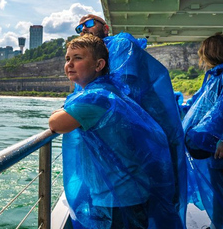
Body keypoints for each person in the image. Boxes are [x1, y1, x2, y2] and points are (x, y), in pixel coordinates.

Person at [49, 34, 182, 228]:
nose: (69, 64)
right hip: (128, 190)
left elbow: (56, 124)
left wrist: (61, 111)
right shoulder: (109, 91)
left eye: (78, 58)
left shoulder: (95, 98)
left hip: (118, 197)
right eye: (68, 58)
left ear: (99, 64)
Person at [182, 32, 223, 229]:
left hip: (218, 147)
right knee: (217, 191)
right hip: (214, 148)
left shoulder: (219, 77)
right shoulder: (215, 76)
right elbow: (198, 105)